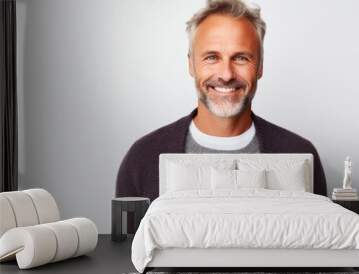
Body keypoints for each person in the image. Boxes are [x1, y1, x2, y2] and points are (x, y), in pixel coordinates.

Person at [116, 0, 327, 231]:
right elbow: (127, 260)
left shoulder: (300, 155)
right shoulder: (142, 158)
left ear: (260, 67)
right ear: (191, 65)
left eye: (241, 58)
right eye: (211, 57)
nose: (226, 75)